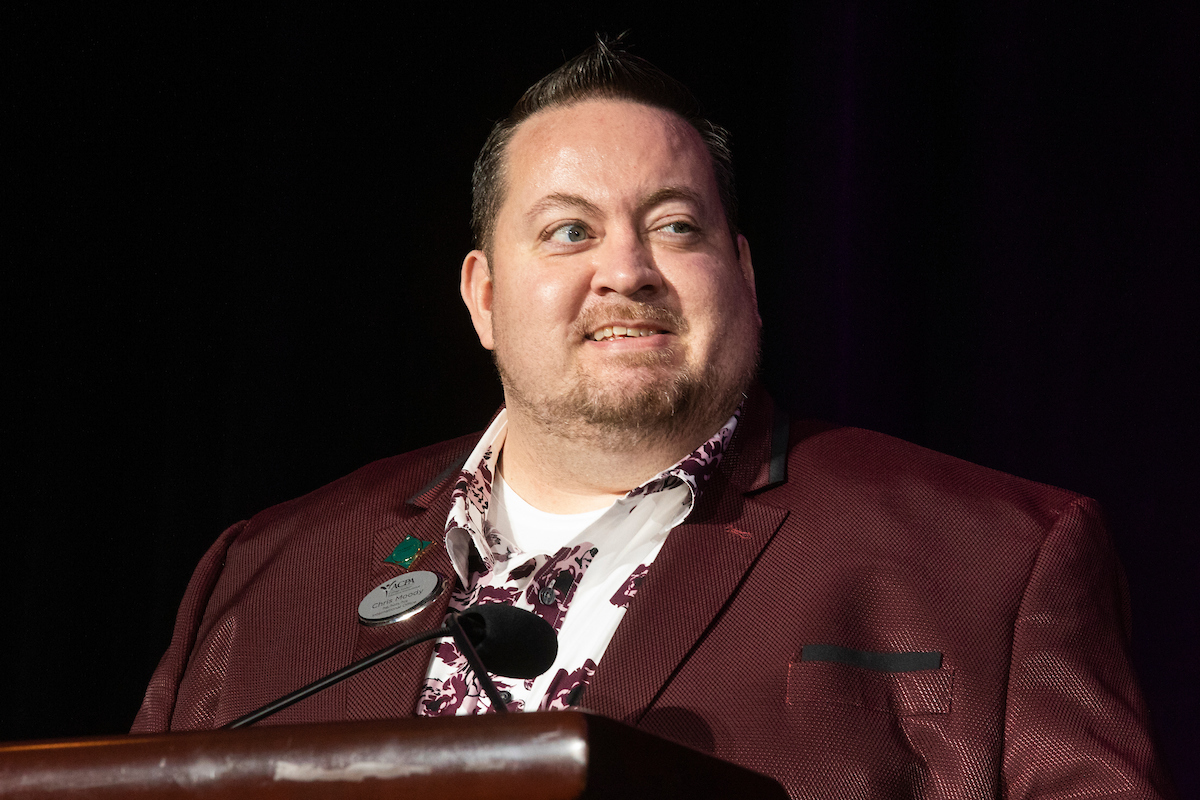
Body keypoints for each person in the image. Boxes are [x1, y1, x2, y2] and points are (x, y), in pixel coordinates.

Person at [133, 41, 1174, 798]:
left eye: (674, 226)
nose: (626, 270)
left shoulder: (992, 561)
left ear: (745, 278)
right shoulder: (262, 575)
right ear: (483, 296)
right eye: (568, 231)